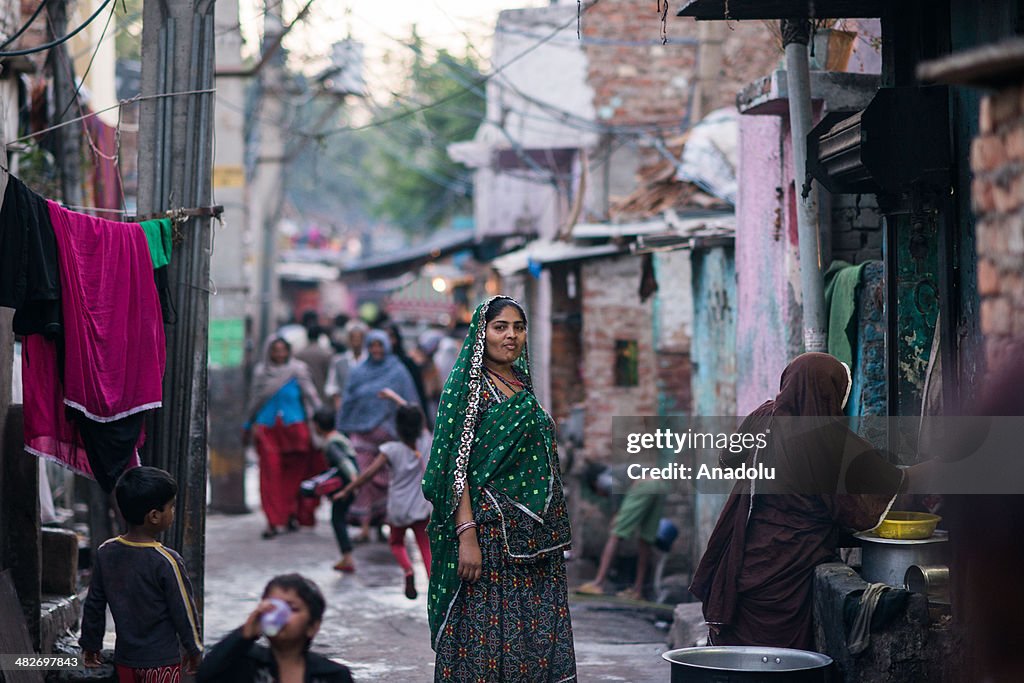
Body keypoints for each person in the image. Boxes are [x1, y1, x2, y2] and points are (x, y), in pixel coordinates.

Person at [689, 352, 919, 650]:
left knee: (741, 659)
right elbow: (891, 481)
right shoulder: (829, 438)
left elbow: (728, 460)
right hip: (790, 562)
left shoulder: (763, 418)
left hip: (746, 557)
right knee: (783, 659)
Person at [422, 295, 576, 682]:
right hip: (491, 539)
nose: (511, 336)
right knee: (488, 636)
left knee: (533, 638)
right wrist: (467, 534)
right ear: (481, 333)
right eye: (500, 327)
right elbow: (455, 468)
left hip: (538, 542)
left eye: (518, 327)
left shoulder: (520, 385)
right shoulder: (471, 390)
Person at [80, 467, 203, 679]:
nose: (173, 512)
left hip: (125, 659)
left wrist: (91, 644)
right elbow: (184, 611)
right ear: (154, 516)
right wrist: (195, 649)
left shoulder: (106, 552)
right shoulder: (167, 561)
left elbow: (94, 604)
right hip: (162, 662)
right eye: (171, 507)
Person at [337, 397, 433, 600]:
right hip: (420, 506)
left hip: (398, 508)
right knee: (425, 546)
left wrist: (347, 490)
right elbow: (419, 419)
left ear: (397, 427)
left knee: (396, 542)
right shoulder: (426, 441)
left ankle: (407, 570)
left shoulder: (390, 450)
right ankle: (433, 584)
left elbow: (367, 474)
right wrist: (394, 398)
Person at [336, 329, 419, 543]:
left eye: (379, 345)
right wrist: (343, 425)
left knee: (386, 483)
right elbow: (349, 399)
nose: (376, 350)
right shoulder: (358, 371)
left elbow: (409, 401)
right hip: (361, 435)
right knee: (364, 478)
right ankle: (364, 526)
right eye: (372, 345)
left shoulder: (397, 371)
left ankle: (383, 526)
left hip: (390, 434)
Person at [197, 573, 353, 683]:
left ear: (312, 626)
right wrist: (244, 634)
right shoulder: (247, 662)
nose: (280, 615)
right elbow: (205, 675)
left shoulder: (332, 675)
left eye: (292, 608)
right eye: (273, 606)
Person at [245, 336, 324, 539]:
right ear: (269, 352)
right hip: (267, 430)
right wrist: (247, 424)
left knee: (294, 478)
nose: (279, 354)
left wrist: (322, 421)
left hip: (295, 430)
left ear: (289, 351)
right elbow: (255, 399)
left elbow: (311, 396)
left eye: (283, 350)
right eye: (275, 350)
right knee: (270, 476)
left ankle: (289, 513)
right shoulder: (261, 372)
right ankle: (273, 521)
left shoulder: (298, 370)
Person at [576, 465, 668, 600]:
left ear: (595, 484)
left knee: (616, 534)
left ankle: (598, 583)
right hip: (660, 484)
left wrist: (615, 514)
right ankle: (638, 590)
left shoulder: (602, 478)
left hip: (644, 484)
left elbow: (614, 488)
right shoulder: (617, 471)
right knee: (646, 540)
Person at [312, 406, 360, 573]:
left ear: (318, 425)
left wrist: (351, 486)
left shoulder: (331, 443)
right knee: (338, 518)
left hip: (346, 486)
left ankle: (348, 558)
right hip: (348, 485)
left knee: (337, 519)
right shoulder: (339, 437)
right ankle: (346, 557)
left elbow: (345, 463)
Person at [324, 319, 369, 411]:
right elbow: (332, 385)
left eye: (359, 338)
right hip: (346, 407)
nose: (356, 341)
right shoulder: (339, 361)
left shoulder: (370, 360)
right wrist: (337, 401)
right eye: (353, 338)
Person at [295, 324, 334, 402]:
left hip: (304, 396)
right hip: (322, 395)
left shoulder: (299, 354)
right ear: (320, 336)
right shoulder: (327, 354)